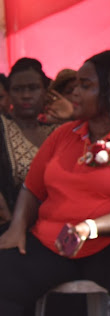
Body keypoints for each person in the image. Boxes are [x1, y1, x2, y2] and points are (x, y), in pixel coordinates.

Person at [0, 50, 110, 316]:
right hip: (59, 243)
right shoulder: (64, 134)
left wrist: (90, 227)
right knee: (5, 273)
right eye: (76, 84)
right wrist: (17, 228)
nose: (74, 92)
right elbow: (31, 188)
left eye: (86, 86)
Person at [0, 59, 57, 231]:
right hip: (12, 227)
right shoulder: (2, 127)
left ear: (46, 92)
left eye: (33, 88)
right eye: (18, 89)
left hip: (61, 225)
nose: (25, 95)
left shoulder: (61, 130)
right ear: (8, 94)